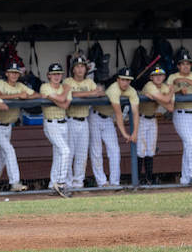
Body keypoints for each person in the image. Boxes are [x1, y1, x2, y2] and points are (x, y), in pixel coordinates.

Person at [0, 61, 41, 191]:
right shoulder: (1, 83)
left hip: (8, 126)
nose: (14, 75)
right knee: (9, 150)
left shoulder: (20, 86)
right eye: (11, 72)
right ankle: (15, 182)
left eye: (16, 73)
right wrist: (19, 95)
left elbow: (37, 95)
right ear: (6, 74)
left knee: (0, 159)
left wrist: (26, 97)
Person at [89, 67, 139, 187]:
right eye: (123, 80)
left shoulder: (131, 91)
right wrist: (124, 133)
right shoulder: (113, 89)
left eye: (128, 80)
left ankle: (115, 182)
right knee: (97, 151)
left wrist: (135, 132)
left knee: (115, 150)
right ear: (118, 79)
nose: (125, 83)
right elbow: (118, 113)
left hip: (107, 119)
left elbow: (135, 112)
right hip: (95, 117)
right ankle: (102, 183)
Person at [63, 56, 103, 189]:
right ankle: (68, 182)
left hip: (84, 120)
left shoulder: (89, 82)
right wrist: (91, 92)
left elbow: (98, 92)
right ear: (73, 69)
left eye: (82, 66)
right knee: (69, 153)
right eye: (77, 66)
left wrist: (99, 92)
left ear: (86, 69)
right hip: (71, 120)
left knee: (82, 154)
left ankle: (78, 182)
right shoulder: (68, 81)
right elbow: (72, 94)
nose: (80, 69)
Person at [167, 53, 192, 185]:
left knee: (190, 146)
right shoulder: (173, 77)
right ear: (178, 66)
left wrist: (185, 81)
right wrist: (179, 92)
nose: (186, 66)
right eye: (183, 64)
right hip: (180, 113)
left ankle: (185, 179)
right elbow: (167, 93)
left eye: (188, 64)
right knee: (190, 142)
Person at [40, 63, 73, 198]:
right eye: (53, 74)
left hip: (64, 123)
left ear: (62, 75)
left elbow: (65, 105)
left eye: (59, 74)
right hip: (51, 124)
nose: (56, 76)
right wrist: (65, 91)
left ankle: (52, 184)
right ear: (48, 75)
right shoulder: (45, 86)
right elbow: (61, 99)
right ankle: (60, 182)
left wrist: (50, 98)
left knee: (59, 154)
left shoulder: (64, 87)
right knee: (65, 151)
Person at [138, 66, 175, 185]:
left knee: (151, 150)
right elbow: (166, 100)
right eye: (155, 75)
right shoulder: (149, 86)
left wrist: (157, 98)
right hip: (141, 119)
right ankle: (138, 179)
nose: (158, 77)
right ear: (151, 77)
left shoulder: (164, 87)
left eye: (160, 75)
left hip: (152, 119)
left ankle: (149, 178)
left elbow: (170, 107)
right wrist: (171, 92)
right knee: (141, 150)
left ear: (164, 77)